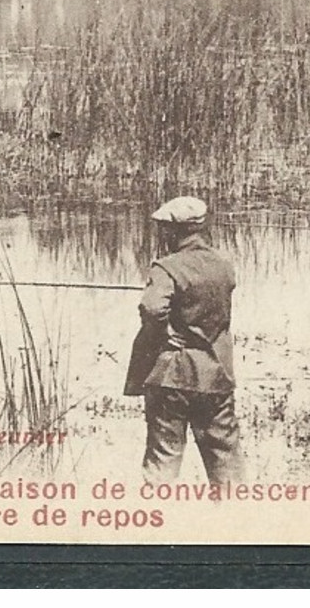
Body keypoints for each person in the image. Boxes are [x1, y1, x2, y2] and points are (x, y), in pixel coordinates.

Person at [124, 195, 241, 484]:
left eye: (164, 229)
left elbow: (152, 308)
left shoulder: (166, 268)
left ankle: (159, 521)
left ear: (173, 231)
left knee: (164, 457)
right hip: (216, 375)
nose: (162, 234)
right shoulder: (224, 265)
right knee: (224, 456)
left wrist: (165, 335)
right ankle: (236, 519)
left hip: (172, 376)